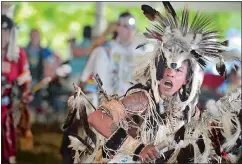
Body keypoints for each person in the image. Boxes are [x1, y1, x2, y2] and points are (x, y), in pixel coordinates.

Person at [65, 2, 241, 163]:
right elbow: (97, 118)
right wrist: (136, 147)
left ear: (187, 79)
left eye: (178, 70)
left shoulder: (189, 110)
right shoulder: (142, 99)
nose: (170, 74)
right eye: (167, 67)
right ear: (158, 68)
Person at [80, 11, 146, 99]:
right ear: (117, 27)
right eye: (126, 26)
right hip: (105, 103)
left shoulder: (141, 54)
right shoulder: (104, 50)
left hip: (132, 105)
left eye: (133, 27)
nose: (130, 31)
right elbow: (86, 79)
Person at [2, 6, 32, 164]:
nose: (2, 35)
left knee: (8, 138)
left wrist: (26, 93)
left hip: (8, 106)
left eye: (6, 31)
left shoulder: (18, 54)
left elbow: (24, 80)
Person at [25, 28, 53, 113]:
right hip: (27, 80)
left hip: (40, 80)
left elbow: (55, 60)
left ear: (39, 37)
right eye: (32, 35)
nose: (34, 37)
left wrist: (48, 73)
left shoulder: (44, 51)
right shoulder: (24, 50)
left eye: (36, 35)